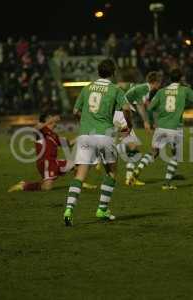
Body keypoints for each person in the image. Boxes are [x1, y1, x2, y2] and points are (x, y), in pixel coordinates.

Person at [63, 59, 133, 226]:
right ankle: (102, 209)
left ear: (98, 72)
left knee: (80, 174)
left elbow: (75, 111)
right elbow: (127, 109)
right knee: (111, 172)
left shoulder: (87, 88)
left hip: (86, 135)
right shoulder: (115, 89)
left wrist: (84, 122)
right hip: (104, 135)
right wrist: (129, 126)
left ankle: (69, 210)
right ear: (113, 72)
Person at [130, 68, 193, 190]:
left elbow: (150, 107)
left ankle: (137, 171)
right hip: (175, 128)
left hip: (161, 127)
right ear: (180, 78)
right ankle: (167, 183)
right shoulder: (184, 90)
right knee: (175, 155)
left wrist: (156, 117)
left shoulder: (162, 91)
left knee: (154, 152)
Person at [8, 113, 83, 192]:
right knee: (47, 187)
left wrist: (81, 137)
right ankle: (24, 185)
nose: (54, 121)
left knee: (78, 164)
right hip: (46, 163)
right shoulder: (41, 132)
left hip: (54, 162)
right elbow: (35, 128)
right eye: (51, 119)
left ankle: (80, 183)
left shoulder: (53, 135)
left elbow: (69, 144)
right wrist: (51, 120)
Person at [115, 71, 162, 186]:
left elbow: (122, 85)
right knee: (132, 146)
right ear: (155, 82)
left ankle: (129, 179)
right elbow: (140, 106)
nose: (160, 84)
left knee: (133, 149)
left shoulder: (140, 87)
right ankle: (107, 151)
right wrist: (146, 121)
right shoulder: (145, 89)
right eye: (159, 82)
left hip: (119, 114)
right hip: (120, 115)